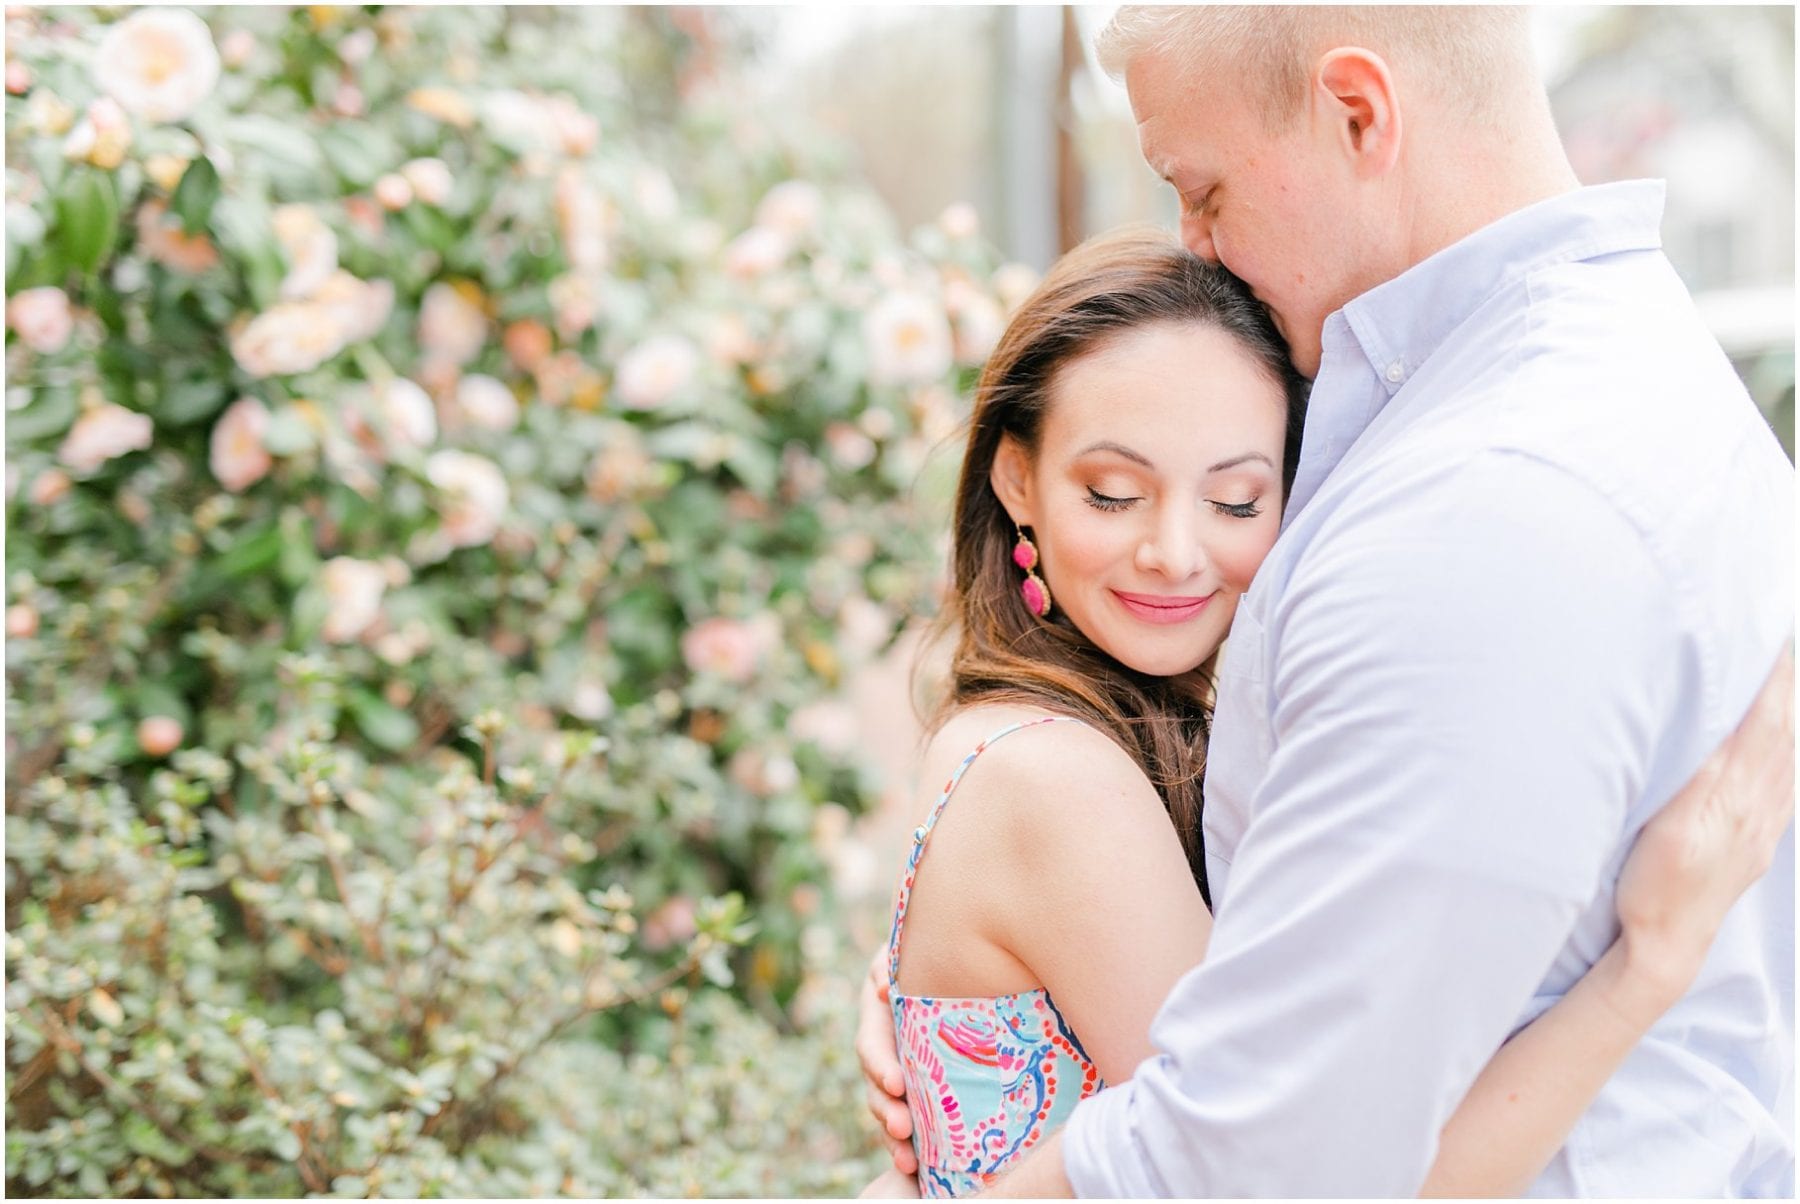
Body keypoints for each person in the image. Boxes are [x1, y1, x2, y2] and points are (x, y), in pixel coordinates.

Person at [859, 6, 1795, 1197]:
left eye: (1200, 190)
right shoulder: (1640, 388)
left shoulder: (1485, 500)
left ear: (1358, 112)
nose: (1195, 244)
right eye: (1112, 489)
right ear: (1019, 483)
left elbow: (1268, 1164)